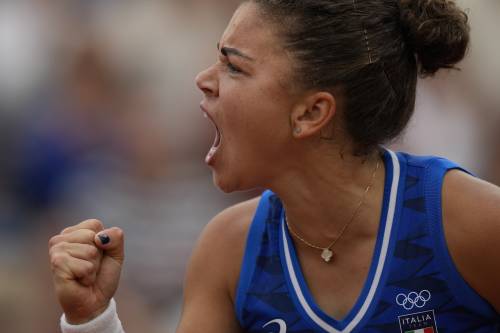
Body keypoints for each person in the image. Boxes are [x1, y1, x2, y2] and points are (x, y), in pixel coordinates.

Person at [48, 0, 500, 332]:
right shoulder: (228, 250)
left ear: (309, 113)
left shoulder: (472, 222)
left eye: (234, 67)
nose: (204, 80)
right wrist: (92, 320)